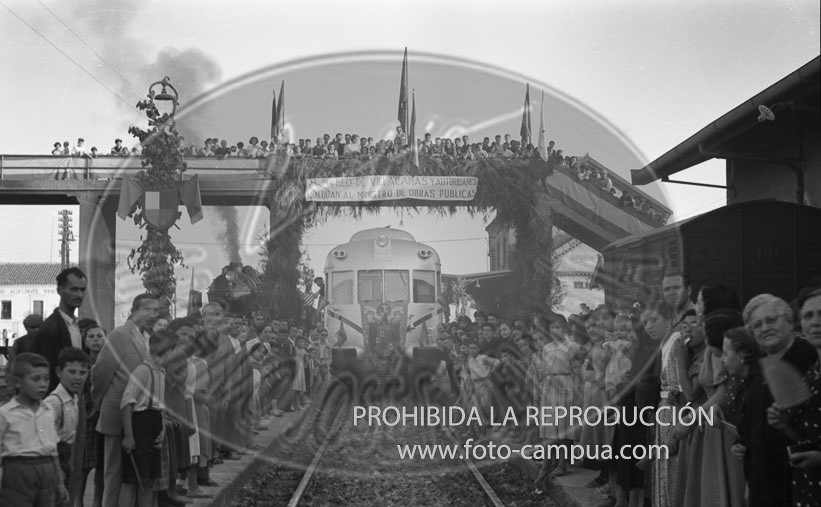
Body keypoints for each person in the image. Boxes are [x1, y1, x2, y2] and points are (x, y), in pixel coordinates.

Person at [735, 294, 816, 506]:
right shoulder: (758, 367)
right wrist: (742, 443)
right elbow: (751, 417)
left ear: (789, 322)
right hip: (761, 478)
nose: (764, 328)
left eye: (771, 320)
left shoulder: (809, 358)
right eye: (757, 325)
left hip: (799, 477)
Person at [92, 293, 158, 507]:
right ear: (134, 310)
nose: (152, 315)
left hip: (137, 417)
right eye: (147, 309)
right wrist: (98, 402)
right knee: (113, 471)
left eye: (156, 311)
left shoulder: (146, 337)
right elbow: (102, 372)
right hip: (115, 412)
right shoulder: (120, 335)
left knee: (132, 473)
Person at [0, 353, 70, 506]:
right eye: (35, 379)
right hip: (18, 470)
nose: (43, 384)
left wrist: (59, 482)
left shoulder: (48, 410)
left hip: (47, 468)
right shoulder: (6, 414)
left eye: (46, 378)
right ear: (17, 383)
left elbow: (53, 450)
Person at [120, 331, 173, 507]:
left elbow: (161, 404)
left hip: (154, 424)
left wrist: (163, 428)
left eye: (165, 353)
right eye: (158, 352)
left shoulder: (162, 373)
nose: (161, 357)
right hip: (139, 425)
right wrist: (129, 436)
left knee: (150, 479)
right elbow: (127, 402)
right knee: (133, 480)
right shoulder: (141, 371)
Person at [44, 348, 89, 507]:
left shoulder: (75, 398)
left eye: (82, 372)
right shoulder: (54, 403)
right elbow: (47, 443)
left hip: (68, 459)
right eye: (71, 371)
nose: (77, 377)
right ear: (58, 372)